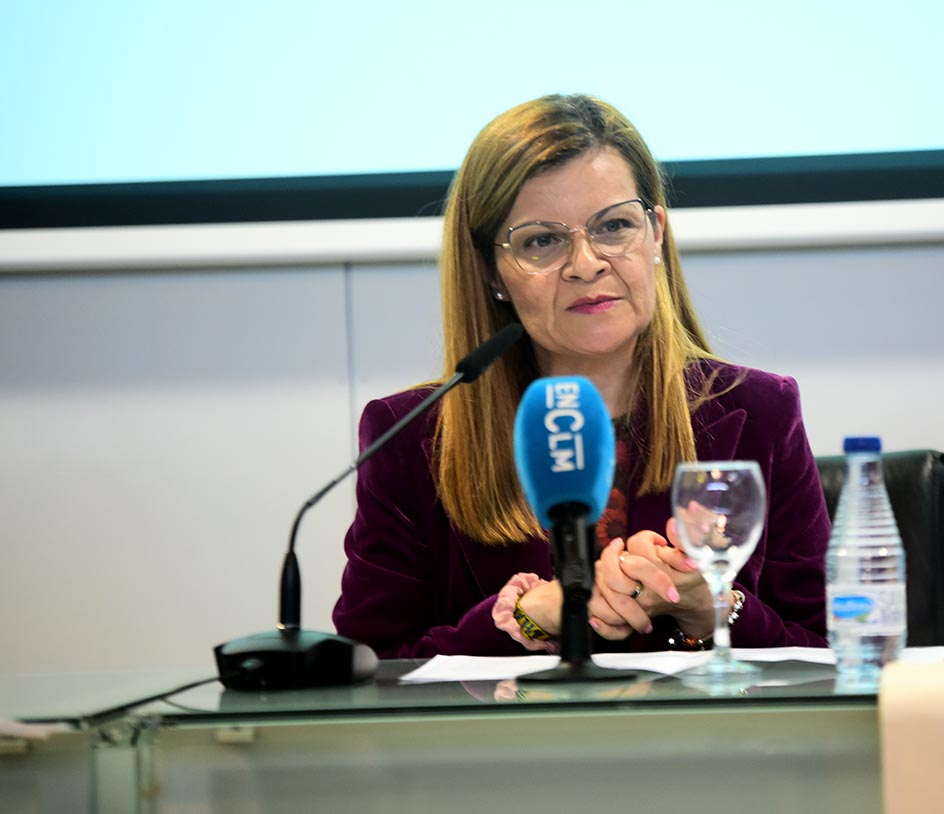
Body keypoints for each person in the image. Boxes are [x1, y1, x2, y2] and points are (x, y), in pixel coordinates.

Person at [333, 94, 830, 658]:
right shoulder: (413, 435)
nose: (587, 264)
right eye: (542, 241)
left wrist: (712, 608)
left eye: (614, 226)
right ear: (492, 271)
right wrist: (526, 618)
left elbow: (831, 649)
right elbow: (367, 667)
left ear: (656, 234)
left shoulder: (762, 412)